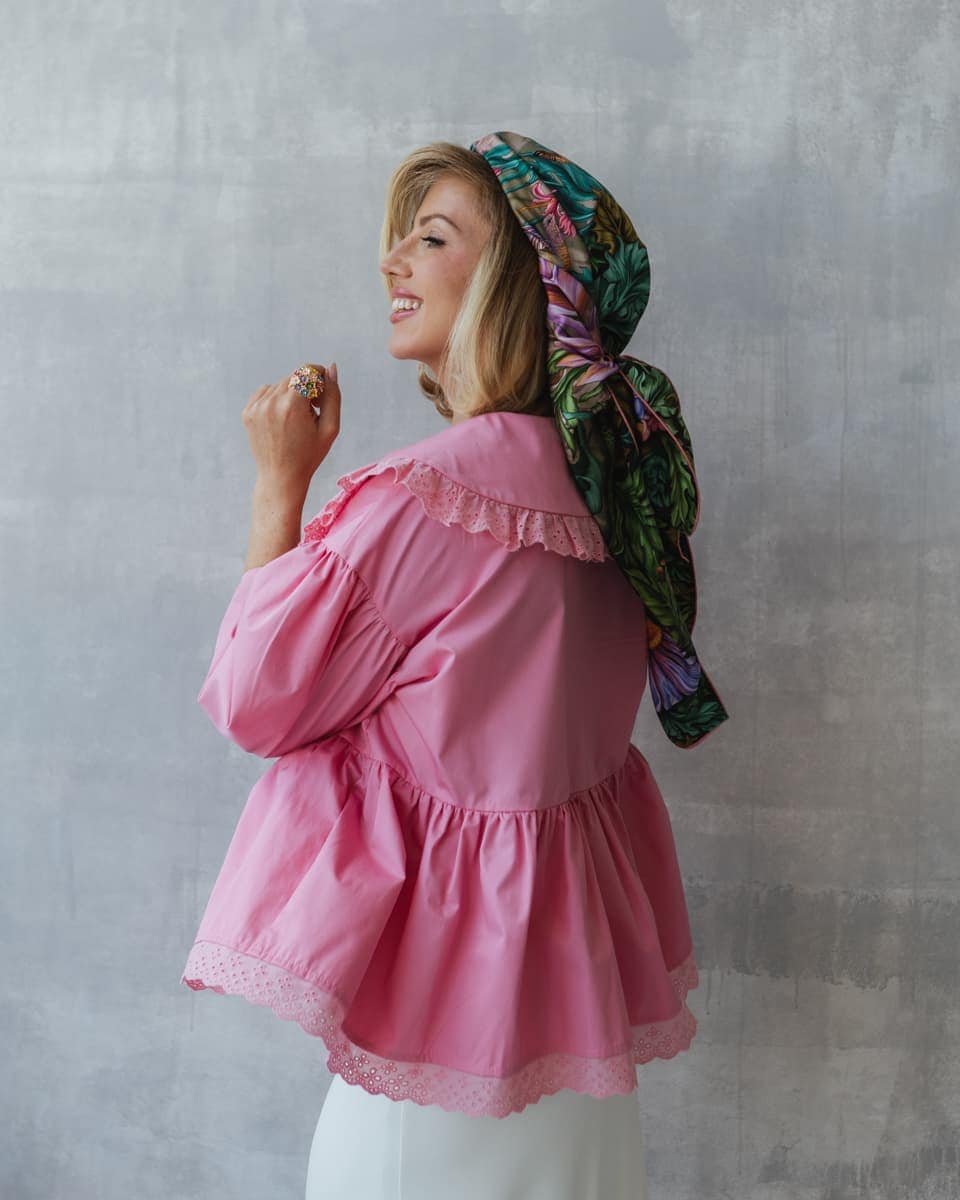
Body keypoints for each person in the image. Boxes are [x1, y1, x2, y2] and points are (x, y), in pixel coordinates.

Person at [181, 131, 729, 1199]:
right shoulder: (617, 496)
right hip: (579, 1069)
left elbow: (256, 701)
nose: (392, 260)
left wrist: (279, 485)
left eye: (431, 238)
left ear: (518, 281)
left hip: (434, 1079)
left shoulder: (421, 500)